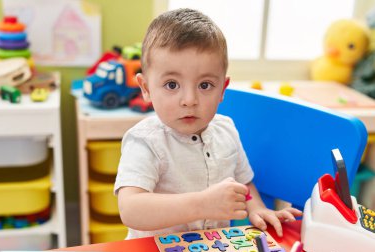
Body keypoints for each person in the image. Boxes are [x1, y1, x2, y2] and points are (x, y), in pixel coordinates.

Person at [114, 8, 302, 239]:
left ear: (222, 89)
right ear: (146, 88)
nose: (190, 100)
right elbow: (131, 209)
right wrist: (201, 204)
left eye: (204, 85)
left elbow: (244, 184)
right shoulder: (145, 141)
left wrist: (258, 209)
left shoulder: (227, 130)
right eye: (172, 84)